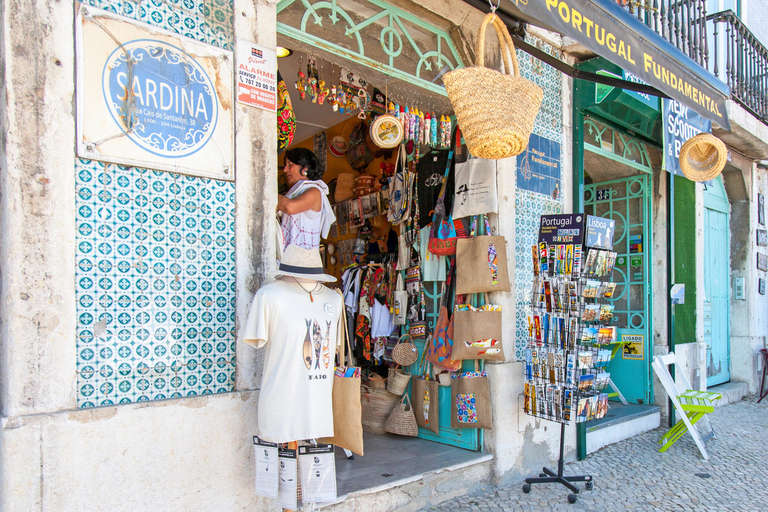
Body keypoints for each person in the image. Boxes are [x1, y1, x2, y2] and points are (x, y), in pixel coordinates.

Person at [277, 147, 336, 250]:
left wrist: (266, 193)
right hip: (290, 260)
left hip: (304, 262)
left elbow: (290, 207)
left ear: (305, 168)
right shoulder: (295, 193)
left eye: (290, 165)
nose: (285, 170)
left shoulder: (315, 191)